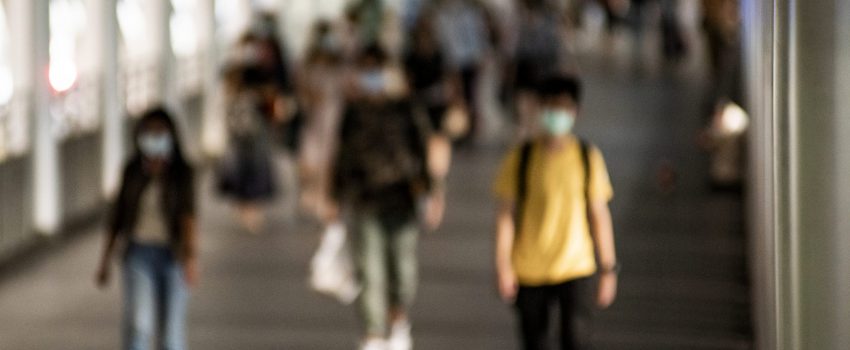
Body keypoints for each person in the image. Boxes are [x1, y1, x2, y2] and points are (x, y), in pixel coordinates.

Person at [329, 45, 444, 350]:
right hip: (364, 200)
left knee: (403, 270)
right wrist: (334, 197)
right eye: (365, 70)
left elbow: (423, 151)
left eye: (375, 69)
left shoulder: (406, 107)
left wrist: (432, 194)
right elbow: (340, 156)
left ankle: (398, 319)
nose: (371, 77)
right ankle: (373, 333)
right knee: (369, 269)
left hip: (403, 199)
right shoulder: (352, 112)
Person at [492, 75, 618, 349]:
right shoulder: (522, 157)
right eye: (550, 107)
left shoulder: (587, 157)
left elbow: (599, 214)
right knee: (534, 342)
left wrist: (608, 268)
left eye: (562, 107)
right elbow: (506, 216)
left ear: (575, 112)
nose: (556, 115)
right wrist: (504, 265)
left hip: (575, 266)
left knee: (576, 339)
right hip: (529, 267)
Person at [95, 108, 198, 350]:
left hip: (172, 255)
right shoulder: (132, 170)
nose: (153, 138)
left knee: (172, 335)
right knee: (138, 326)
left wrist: (191, 257)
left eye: (160, 132)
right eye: (148, 132)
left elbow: (188, 216)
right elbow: (117, 217)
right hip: (138, 254)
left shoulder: (182, 173)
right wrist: (105, 259)